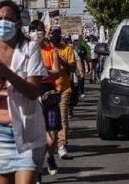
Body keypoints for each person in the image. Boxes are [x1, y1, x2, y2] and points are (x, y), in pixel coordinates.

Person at [0, 0, 47, 184]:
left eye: (8, 18)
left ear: (17, 22)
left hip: (26, 128)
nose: (3, 22)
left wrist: (7, 74)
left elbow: (32, 91)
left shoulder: (30, 49)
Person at [29, 20, 61, 178]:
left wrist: (42, 71)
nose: (36, 33)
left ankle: (50, 156)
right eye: (33, 30)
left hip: (49, 92)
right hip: (31, 92)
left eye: (39, 30)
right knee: (36, 136)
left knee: (52, 134)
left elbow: (57, 72)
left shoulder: (51, 51)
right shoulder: (25, 51)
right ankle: (38, 170)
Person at [49, 27, 76, 159]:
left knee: (62, 118)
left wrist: (61, 61)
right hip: (48, 89)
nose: (56, 36)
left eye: (58, 34)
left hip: (64, 88)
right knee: (48, 119)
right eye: (53, 34)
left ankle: (62, 145)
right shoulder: (45, 50)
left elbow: (73, 68)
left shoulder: (68, 49)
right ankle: (49, 144)